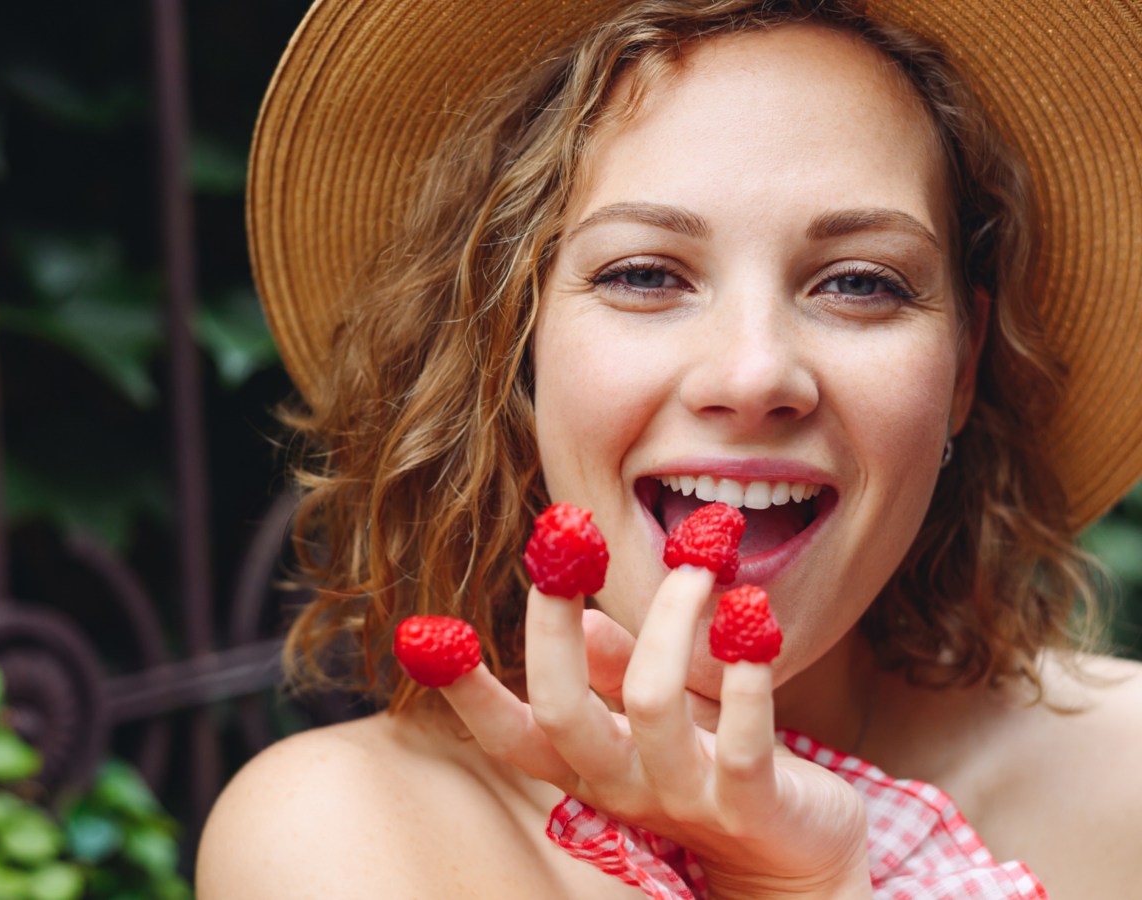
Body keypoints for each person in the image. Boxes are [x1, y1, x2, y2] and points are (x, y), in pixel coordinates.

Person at [196, 0, 1142, 896]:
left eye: (859, 283)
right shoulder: (343, 838)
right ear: (512, 351)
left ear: (964, 367)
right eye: (646, 274)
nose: (754, 374)